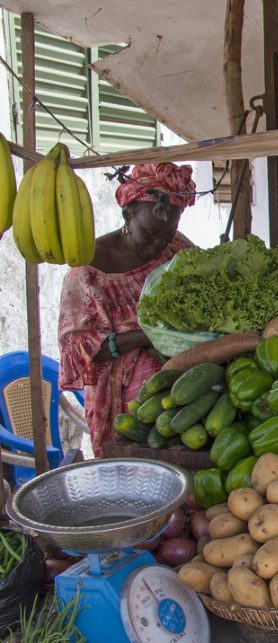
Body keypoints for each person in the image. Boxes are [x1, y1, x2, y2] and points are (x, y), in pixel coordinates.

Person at [58, 163, 197, 456]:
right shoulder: (86, 273)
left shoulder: (177, 250)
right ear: (128, 215)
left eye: (168, 233)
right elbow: (84, 352)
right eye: (150, 233)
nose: (159, 243)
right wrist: (152, 334)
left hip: (184, 391)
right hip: (125, 405)